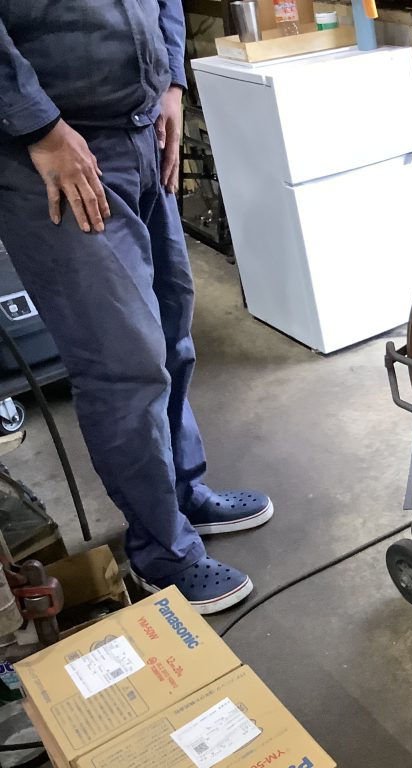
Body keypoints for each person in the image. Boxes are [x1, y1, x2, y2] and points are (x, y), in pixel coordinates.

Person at [0, 1, 271, 614]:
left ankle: (183, 493)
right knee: (124, 364)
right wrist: (39, 126)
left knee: (172, 336)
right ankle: (162, 551)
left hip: (142, 132)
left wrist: (172, 80)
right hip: (54, 151)